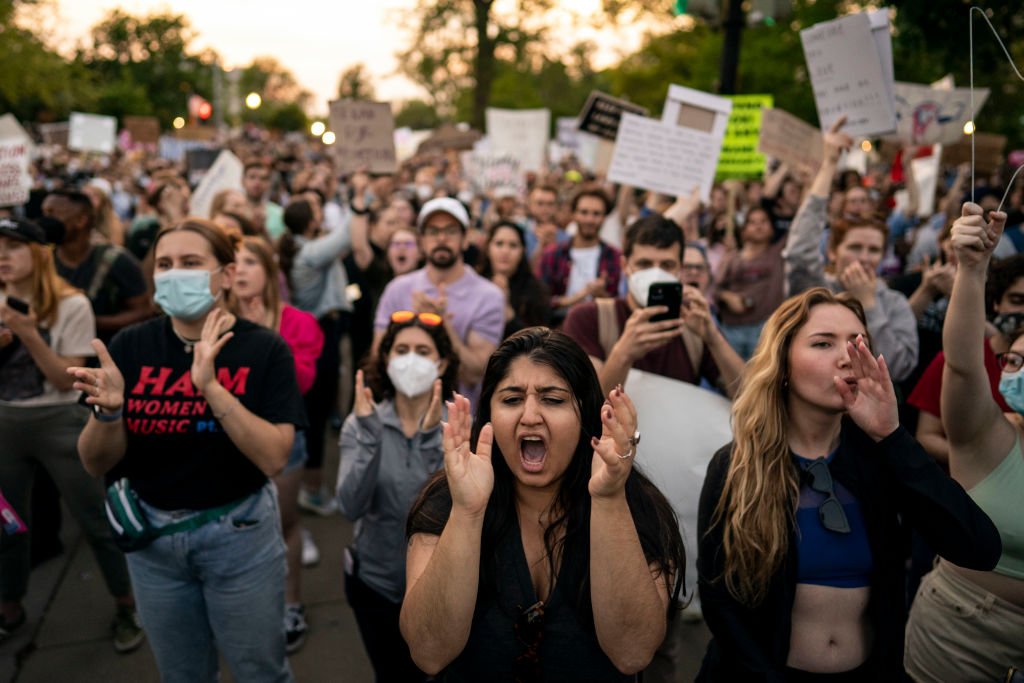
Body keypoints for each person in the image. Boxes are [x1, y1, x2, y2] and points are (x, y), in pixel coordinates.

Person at [696, 287, 1001, 681]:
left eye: (858, 343)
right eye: (823, 343)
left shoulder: (881, 457)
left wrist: (892, 436)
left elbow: (977, 547)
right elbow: (720, 601)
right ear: (783, 363)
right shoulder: (737, 465)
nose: (846, 357)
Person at [69, 218, 306, 683]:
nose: (175, 274)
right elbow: (94, 461)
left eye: (191, 263)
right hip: (153, 543)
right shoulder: (131, 346)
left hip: (239, 535)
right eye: (165, 264)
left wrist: (212, 389)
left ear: (225, 274)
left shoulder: (264, 350)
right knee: (183, 675)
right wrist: (110, 413)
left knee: (260, 671)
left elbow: (275, 456)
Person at [400, 328, 686, 681]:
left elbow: (633, 653)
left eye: (552, 399)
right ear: (488, 416)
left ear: (589, 416)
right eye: (511, 399)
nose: (530, 416)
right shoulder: (446, 503)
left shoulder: (638, 506)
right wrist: (467, 511)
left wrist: (609, 499)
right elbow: (429, 653)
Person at [0, 217, 142, 652]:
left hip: (60, 421)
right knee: (8, 524)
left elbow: (66, 379)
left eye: (13, 246)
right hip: (5, 422)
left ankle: (127, 605)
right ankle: (10, 605)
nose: (2, 256)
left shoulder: (71, 304)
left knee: (96, 520)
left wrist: (26, 333)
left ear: (39, 254)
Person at [904, 204, 1024, 682]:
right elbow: (963, 363)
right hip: (962, 639)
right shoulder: (988, 436)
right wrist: (972, 270)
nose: (1016, 373)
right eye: (1013, 362)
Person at [337, 311, 459, 682]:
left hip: (442, 585)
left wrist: (428, 442)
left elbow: (448, 508)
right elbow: (349, 505)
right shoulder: (362, 422)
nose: (411, 359)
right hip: (374, 583)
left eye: (423, 350)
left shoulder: (459, 426)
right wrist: (371, 437)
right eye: (401, 349)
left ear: (442, 363)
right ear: (386, 359)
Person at [230, 236, 324, 654]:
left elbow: (300, 383)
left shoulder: (300, 323)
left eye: (251, 261)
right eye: (233, 264)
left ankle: (290, 604)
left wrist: (261, 337)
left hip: (285, 438)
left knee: (284, 524)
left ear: (269, 273)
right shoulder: (212, 323)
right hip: (226, 442)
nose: (242, 270)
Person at [784, 117, 918, 382]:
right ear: (833, 252)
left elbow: (899, 370)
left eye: (873, 250)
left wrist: (868, 304)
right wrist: (829, 164)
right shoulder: (816, 291)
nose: (864, 257)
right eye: (855, 247)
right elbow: (798, 254)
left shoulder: (894, 304)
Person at [563, 214, 744, 398]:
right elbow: (587, 404)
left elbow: (748, 397)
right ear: (625, 265)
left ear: (680, 269)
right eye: (644, 264)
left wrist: (713, 338)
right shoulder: (589, 318)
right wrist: (623, 354)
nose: (656, 273)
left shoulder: (693, 326)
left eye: (667, 265)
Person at [373, 197, 504, 407]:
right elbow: (379, 358)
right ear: (422, 241)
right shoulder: (397, 289)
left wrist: (441, 325)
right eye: (433, 231)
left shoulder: (489, 296)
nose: (441, 238)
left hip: (459, 420)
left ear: (465, 238)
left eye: (451, 231)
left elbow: (475, 373)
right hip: (398, 414)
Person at [278, 198, 352, 515]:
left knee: (314, 413)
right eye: (317, 213)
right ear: (309, 222)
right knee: (315, 415)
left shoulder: (299, 247)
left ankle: (309, 485)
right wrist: (359, 201)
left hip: (316, 332)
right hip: (318, 334)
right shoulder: (309, 252)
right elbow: (346, 234)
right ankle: (311, 490)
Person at [45, 190, 150, 343]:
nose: (46, 220)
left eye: (53, 214)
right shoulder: (44, 259)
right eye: (45, 213)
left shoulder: (117, 260)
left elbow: (143, 311)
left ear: (81, 220)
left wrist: (88, 321)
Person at [538, 187, 622, 322]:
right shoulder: (553, 254)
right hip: (556, 329)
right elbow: (539, 301)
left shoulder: (615, 257)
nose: (589, 219)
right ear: (573, 214)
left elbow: (621, 307)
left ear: (604, 217)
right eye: (584, 212)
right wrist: (573, 299)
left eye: (596, 214)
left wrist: (602, 295)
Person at [715, 207, 786, 360]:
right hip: (731, 330)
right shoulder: (731, 258)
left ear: (773, 229)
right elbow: (714, 289)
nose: (758, 226)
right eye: (752, 222)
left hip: (765, 329)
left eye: (763, 221)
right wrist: (728, 297)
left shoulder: (779, 254)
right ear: (744, 231)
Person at [477, 220, 551, 339]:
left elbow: (539, 342)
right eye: (499, 244)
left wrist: (507, 309)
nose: (505, 251)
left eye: (513, 245)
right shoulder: (474, 284)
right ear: (488, 248)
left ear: (523, 251)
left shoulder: (537, 291)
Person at [244, 161, 286, 240]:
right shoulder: (233, 212)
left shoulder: (279, 214)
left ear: (269, 183)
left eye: (263, 178)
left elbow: (281, 249)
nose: (257, 182)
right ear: (242, 181)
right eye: (252, 177)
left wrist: (263, 231)